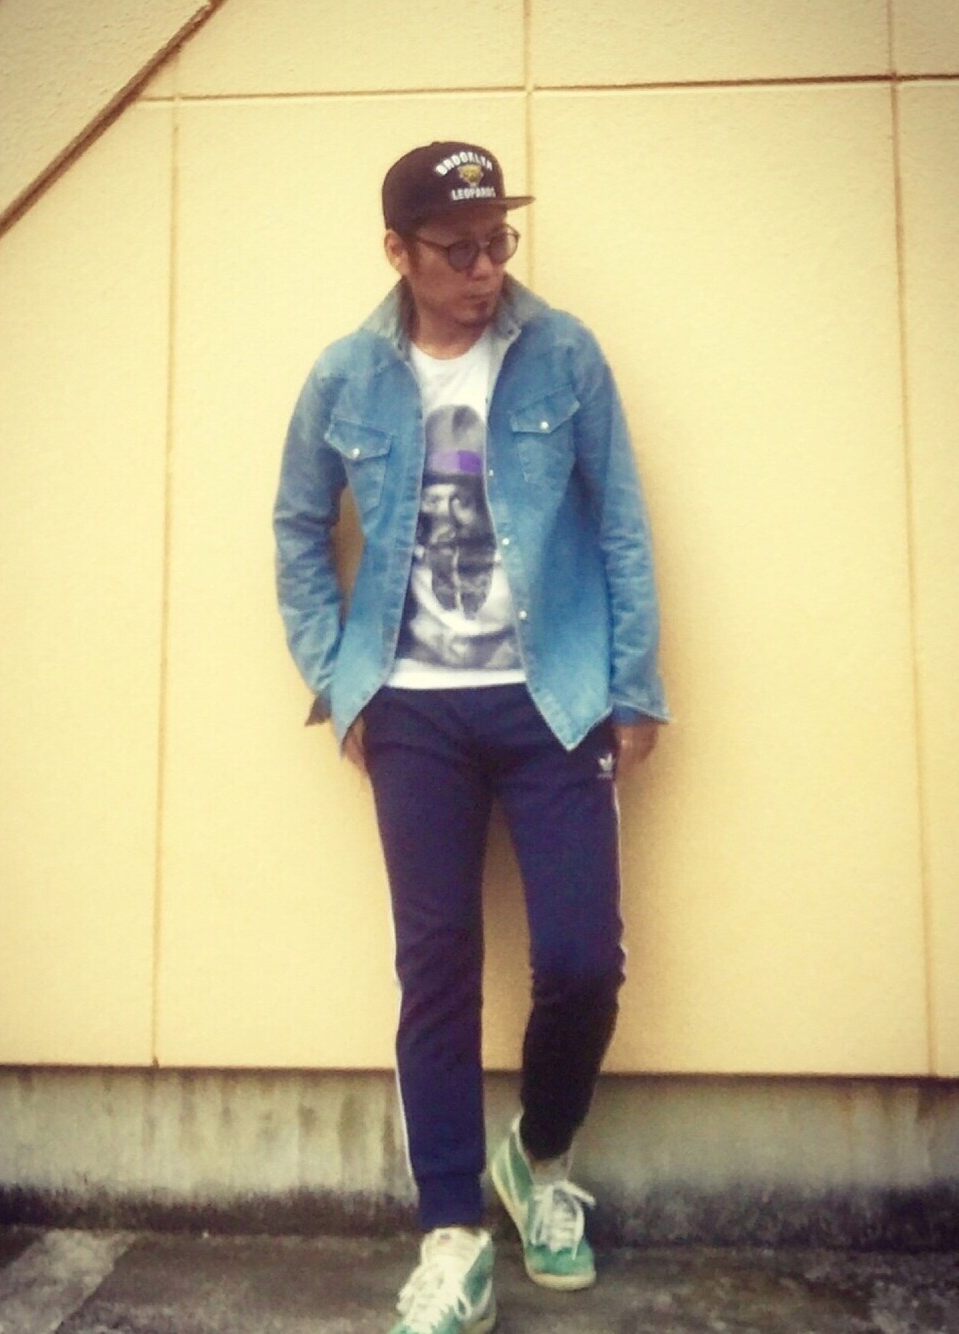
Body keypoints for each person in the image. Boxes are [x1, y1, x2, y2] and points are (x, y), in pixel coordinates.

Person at [274, 140, 668, 1334]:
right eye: (457, 249)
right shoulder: (346, 376)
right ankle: (451, 1234)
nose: (486, 267)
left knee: (583, 962)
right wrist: (340, 679)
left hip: (552, 697)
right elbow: (298, 528)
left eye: (499, 241)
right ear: (397, 251)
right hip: (413, 709)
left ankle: (537, 1158)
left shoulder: (563, 353)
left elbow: (621, 524)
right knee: (435, 968)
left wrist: (633, 686)